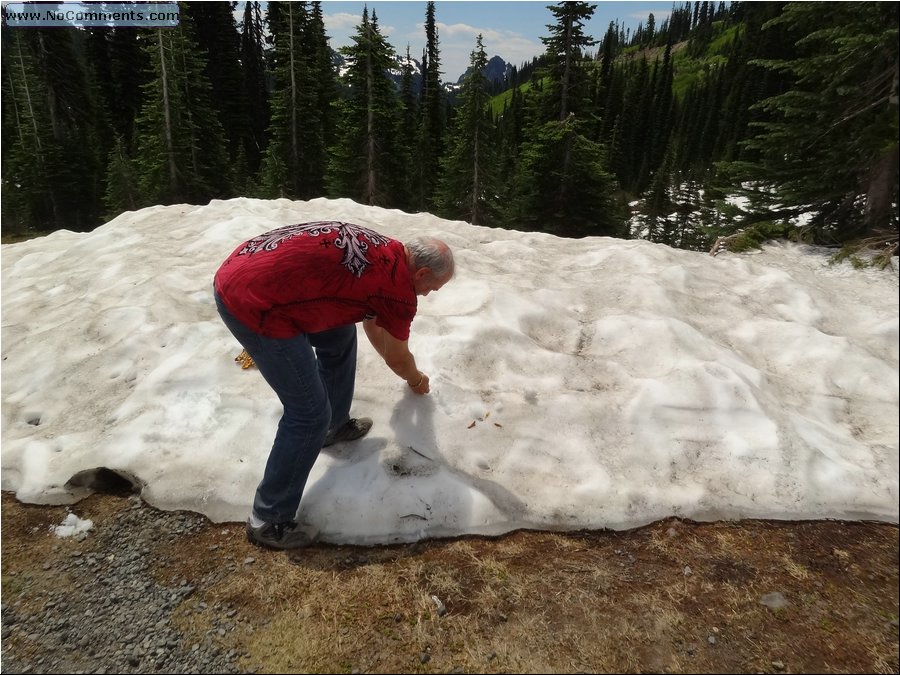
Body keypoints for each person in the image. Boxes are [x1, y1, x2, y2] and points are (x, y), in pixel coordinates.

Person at [213, 221, 454, 550]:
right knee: (309, 413)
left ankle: (334, 427)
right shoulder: (399, 290)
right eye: (432, 288)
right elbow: (397, 357)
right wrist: (416, 380)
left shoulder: (391, 252)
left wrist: (395, 359)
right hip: (252, 302)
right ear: (422, 273)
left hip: (244, 267)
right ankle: (268, 519)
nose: (428, 295)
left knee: (340, 334)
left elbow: (373, 320)